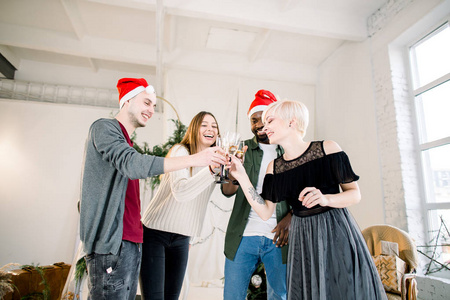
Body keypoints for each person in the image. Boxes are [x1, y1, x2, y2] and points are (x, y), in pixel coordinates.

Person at [79, 78, 226, 300]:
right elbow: (133, 165)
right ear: (127, 101)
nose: (151, 110)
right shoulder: (104, 128)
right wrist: (200, 160)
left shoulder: (128, 143)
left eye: (154, 106)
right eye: (146, 102)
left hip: (131, 242)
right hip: (111, 246)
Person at [229, 99, 387, 300]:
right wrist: (242, 177)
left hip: (335, 232)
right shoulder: (275, 167)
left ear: (291, 122)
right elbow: (265, 211)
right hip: (302, 239)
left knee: (342, 290)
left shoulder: (328, 149)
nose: (264, 127)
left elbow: (355, 194)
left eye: (270, 120)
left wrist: (325, 198)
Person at [140, 111, 222, 300]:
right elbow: (181, 192)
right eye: (204, 125)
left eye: (214, 126)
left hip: (182, 238)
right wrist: (210, 170)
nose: (210, 129)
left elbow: (198, 203)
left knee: (172, 297)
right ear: (194, 129)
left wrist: (190, 238)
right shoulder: (181, 152)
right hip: (154, 233)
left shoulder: (216, 163)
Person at [221, 90, 291, 300]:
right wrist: (232, 174)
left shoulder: (288, 151)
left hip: (278, 238)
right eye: (254, 120)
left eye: (264, 120)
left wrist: (290, 218)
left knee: (280, 295)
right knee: (232, 295)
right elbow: (227, 191)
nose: (259, 125)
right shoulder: (241, 148)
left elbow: (301, 193)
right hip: (243, 236)